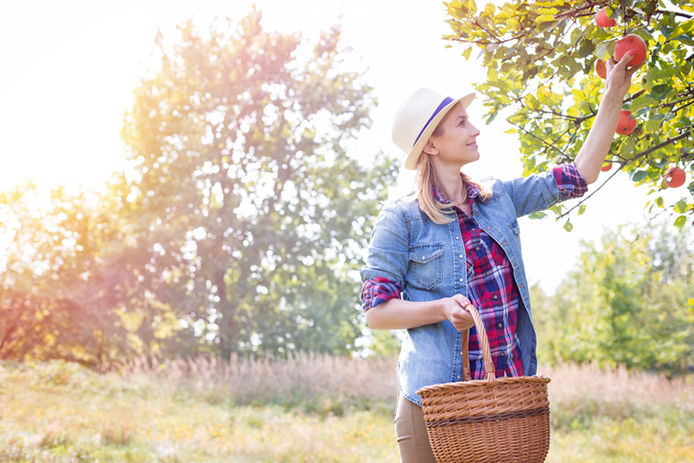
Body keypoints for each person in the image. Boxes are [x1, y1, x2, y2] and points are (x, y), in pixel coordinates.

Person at [360, 52, 639, 462]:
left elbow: (581, 174)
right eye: (461, 123)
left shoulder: (498, 199)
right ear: (432, 144)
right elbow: (376, 313)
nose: (475, 129)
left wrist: (613, 93)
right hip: (435, 408)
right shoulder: (401, 219)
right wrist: (439, 308)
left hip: (505, 406)